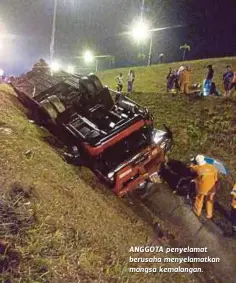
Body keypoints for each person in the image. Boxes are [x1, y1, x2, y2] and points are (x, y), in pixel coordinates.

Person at [190, 154, 218, 219]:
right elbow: (216, 179)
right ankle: (209, 214)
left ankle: (197, 211)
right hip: (211, 189)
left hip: (201, 188)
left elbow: (191, 169)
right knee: (209, 200)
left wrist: (191, 164)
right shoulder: (213, 168)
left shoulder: (197, 167)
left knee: (199, 198)